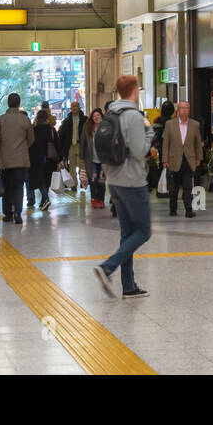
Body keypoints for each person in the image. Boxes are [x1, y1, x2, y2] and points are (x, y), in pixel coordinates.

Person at [92, 75, 151, 300]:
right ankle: (108, 267)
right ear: (135, 90)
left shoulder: (111, 113)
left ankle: (128, 286)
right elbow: (138, 151)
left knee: (128, 234)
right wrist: (150, 133)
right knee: (144, 232)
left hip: (114, 181)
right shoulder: (134, 116)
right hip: (133, 181)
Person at [0, 93, 34, 224]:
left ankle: (8, 214)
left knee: (7, 188)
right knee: (19, 187)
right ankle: (18, 213)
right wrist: (22, 148)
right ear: (19, 103)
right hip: (21, 161)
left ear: (8, 103)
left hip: (5, 161)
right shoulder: (25, 120)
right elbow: (31, 139)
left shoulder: (0, 120)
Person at [162, 100, 204, 218]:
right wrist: (165, 159)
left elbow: (197, 143)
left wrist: (199, 157)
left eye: (187, 108)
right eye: (182, 108)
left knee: (187, 186)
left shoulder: (195, 125)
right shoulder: (170, 124)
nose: (185, 110)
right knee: (174, 188)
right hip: (173, 160)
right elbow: (166, 143)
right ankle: (173, 208)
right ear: (178, 110)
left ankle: (189, 210)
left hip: (189, 160)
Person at [29, 109, 56, 211]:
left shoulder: (34, 130)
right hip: (50, 159)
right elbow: (56, 143)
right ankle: (44, 200)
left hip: (38, 159)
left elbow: (31, 146)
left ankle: (46, 199)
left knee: (40, 180)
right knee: (46, 180)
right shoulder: (51, 129)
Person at [58, 102, 87, 195]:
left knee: (82, 165)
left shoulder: (85, 120)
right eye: (72, 106)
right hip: (70, 146)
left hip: (81, 145)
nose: (74, 108)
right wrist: (62, 151)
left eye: (76, 106)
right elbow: (61, 136)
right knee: (72, 166)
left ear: (79, 107)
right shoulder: (66, 121)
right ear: (70, 108)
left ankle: (83, 182)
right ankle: (74, 184)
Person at [81, 108, 106, 207]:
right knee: (93, 179)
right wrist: (82, 157)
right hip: (90, 159)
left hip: (104, 160)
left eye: (98, 115)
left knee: (102, 181)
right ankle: (93, 199)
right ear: (91, 118)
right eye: (94, 116)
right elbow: (83, 142)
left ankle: (101, 200)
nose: (96, 117)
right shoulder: (87, 127)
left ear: (101, 116)